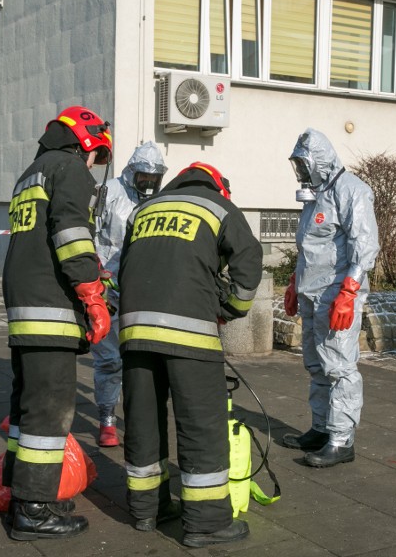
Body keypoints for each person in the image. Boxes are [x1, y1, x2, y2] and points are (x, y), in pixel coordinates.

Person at [118, 162, 263, 547]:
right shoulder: (219, 208)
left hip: (134, 332)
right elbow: (248, 263)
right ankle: (206, 523)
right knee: (201, 424)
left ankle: (146, 509)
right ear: (220, 187)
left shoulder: (145, 210)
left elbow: (124, 267)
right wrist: (231, 309)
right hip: (189, 335)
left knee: (143, 419)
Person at [1, 106, 113, 540]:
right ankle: (34, 509)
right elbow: (71, 233)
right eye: (95, 155)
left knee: (26, 407)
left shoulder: (31, 172)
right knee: (50, 412)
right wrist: (90, 291)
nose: (93, 165)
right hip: (50, 308)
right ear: (85, 141)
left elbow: (41, 241)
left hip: (24, 305)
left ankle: (23, 491)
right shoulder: (69, 168)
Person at [281, 128, 379, 469]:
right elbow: (309, 247)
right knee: (317, 365)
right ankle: (322, 428)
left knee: (339, 366)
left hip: (336, 294)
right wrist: (295, 282)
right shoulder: (315, 197)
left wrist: (349, 292)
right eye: (298, 165)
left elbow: (365, 247)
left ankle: (342, 439)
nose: (301, 172)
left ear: (319, 161)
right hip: (312, 294)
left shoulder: (352, 191)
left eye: (304, 164)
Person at [91, 141, 167, 447]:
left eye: (154, 179)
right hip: (109, 287)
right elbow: (89, 231)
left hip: (143, 289)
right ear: (131, 173)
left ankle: (138, 416)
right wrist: (95, 271)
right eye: (143, 178)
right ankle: (107, 419)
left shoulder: (160, 200)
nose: (148, 184)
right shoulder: (107, 192)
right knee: (108, 359)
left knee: (140, 358)